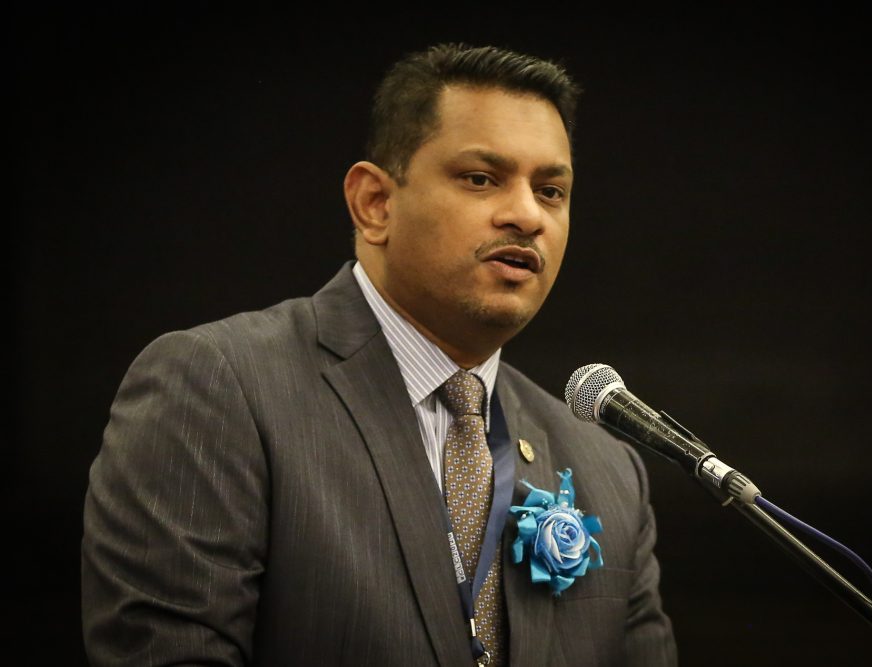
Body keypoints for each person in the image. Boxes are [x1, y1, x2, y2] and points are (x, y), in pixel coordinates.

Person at [81, 43, 678, 666]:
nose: (528, 215)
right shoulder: (217, 389)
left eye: (551, 190)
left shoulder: (607, 472)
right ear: (375, 203)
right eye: (481, 178)